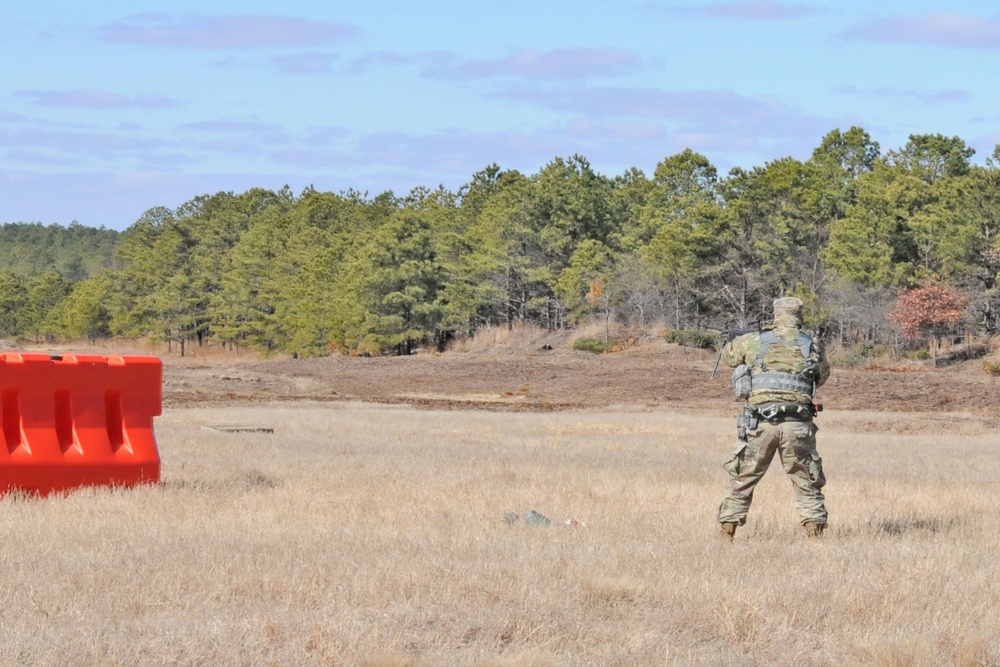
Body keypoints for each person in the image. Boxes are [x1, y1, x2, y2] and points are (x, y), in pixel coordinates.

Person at [717, 296, 830, 542]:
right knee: (806, 481)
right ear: (799, 317)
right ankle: (815, 539)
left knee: (742, 480)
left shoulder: (753, 341)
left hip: (760, 424)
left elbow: (728, 357)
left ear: (776, 314)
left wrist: (736, 342)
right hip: (798, 424)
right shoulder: (813, 344)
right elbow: (821, 377)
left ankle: (726, 537)